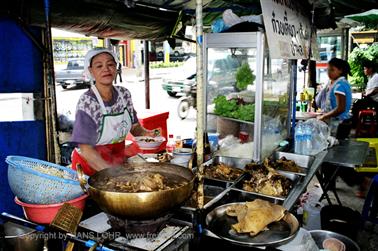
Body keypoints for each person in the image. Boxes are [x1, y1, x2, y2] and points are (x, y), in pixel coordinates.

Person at [71, 48, 158, 176]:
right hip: (89, 168)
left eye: (110, 64)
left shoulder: (124, 95)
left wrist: (148, 134)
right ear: (91, 71)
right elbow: (86, 149)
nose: (106, 69)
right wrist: (112, 174)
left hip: (117, 163)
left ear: (116, 68)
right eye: (99, 66)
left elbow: (134, 127)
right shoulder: (88, 102)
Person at [317, 58, 352, 139]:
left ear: (340, 70)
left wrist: (324, 116)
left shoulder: (339, 86)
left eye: (332, 70)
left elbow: (340, 108)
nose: (329, 73)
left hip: (340, 124)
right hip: (340, 122)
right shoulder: (339, 83)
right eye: (328, 70)